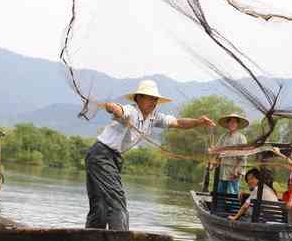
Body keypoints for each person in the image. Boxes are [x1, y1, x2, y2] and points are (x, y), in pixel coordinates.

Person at [85, 79, 216, 231]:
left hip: (112, 158)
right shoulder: (131, 111)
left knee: (100, 206)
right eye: (150, 98)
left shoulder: (154, 117)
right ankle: (120, 240)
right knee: (115, 201)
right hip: (101, 155)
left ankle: (92, 239)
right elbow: (117, 109)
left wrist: (198, 122)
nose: (153, 102)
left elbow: (178, 123)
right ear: (138, 98)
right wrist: (114, 109)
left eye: (155, 99)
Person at [215, 113, 248, 195]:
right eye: (230, 122)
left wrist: (237, 170)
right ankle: (220, 207)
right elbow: (217, 150)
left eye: (234, 122)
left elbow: (243, 157)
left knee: (232, 193)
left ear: (237, 124)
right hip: (223, 170)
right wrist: (214, 156)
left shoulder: (241, 138)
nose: (232, 124)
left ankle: (233, 207)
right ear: (227, 124)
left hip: (234, 172)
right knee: (220, 193)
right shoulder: (223, 137)